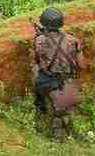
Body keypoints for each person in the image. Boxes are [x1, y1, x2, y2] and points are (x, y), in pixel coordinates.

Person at [31, 7, 86, 141]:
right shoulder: (73, 40)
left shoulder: (38, 40)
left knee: (35, 68)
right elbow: (82, 65)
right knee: (64, 110)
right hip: (66, 81)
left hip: (46, 81)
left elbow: (37, 60)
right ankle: (60, 121)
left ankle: (40, 103)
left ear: (43, 23)